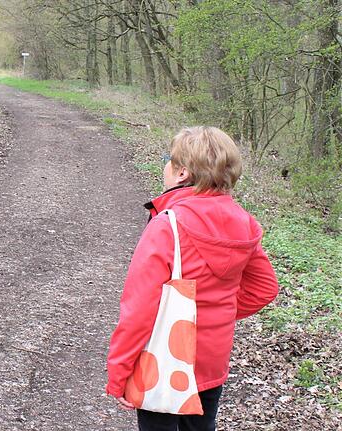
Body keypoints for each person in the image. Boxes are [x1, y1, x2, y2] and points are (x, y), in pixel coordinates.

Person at [105, 126, 279, 430]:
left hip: (163, 360)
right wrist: (217, 312)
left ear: (182, 172)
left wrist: (119, 373)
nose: (166, 166)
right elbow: (265, 287)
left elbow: (139, 309)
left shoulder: (167, 225)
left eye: (169, 160)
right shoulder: (245, 223)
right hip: (212, 361)